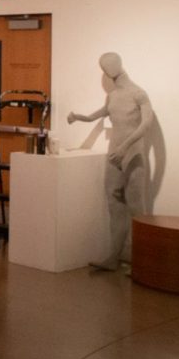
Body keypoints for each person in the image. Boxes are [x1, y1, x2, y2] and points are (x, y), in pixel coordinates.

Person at [67, 52, 154, 271]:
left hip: (133, 155)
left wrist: (125, 147)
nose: (107, 70)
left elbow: (145, 125)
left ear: (117, 65)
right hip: (114, 156)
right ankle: (115, 256)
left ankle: (141, 260)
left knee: (136, 208)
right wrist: (78, 116)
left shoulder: (139, 94)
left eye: (108, 65)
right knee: (114, 205)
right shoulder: (113, 96)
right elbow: (97, 115)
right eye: (104, 67)